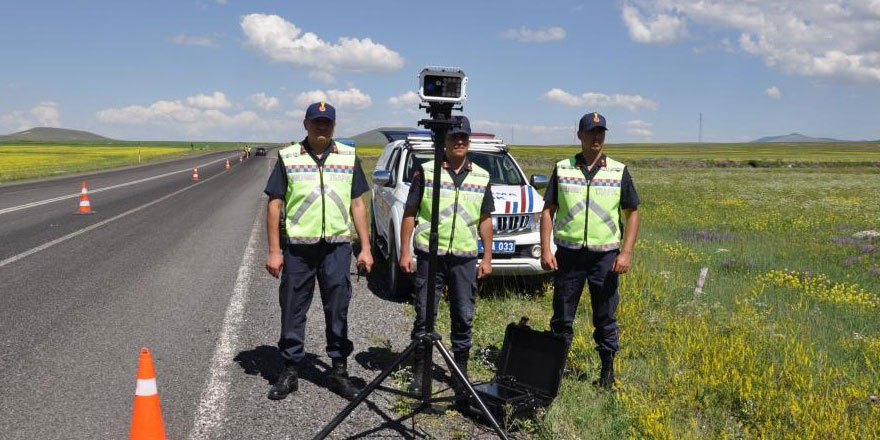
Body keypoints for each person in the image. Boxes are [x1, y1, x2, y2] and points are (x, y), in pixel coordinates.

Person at [263, 101, 373, 400]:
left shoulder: (348, 157)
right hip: (298, 248)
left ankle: (338, 370)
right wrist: (274, 250)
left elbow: (358, 204)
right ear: (306, 124)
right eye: (316, 122)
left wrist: (365, 248)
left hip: (337, 247)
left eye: (327, 122)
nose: (321, 126)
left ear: (334, 126)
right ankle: (289, 370)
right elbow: (274, 205)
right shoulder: (288, 157)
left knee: (338, 309)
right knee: (292, 309)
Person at [540, 111, 641, 390]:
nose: (596, 137)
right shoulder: (563, 168)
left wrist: (627, 252)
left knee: (605, 316)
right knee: (562, 316)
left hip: (605, 257)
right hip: (568, 255)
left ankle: (607, 374)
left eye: (601, 132)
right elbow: (548, 210)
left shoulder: (618, 171)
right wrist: (546, 249)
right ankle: (555, 371)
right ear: (580, 136)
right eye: (591, 132)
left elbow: (632, 213)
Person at [399, 115, 494, 406]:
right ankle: (420, 371)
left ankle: (460, 372)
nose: (460, 141)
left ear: (469, 141)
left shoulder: (481, 176)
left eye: (464, 137)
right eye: (454, 137)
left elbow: (485, 219)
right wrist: (405, 251)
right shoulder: (426, 172)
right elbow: (410, 213)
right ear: (445, 140)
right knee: (424, 315)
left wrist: (487, 256)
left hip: (465, 258)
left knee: (463, 316)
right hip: (431, 256)